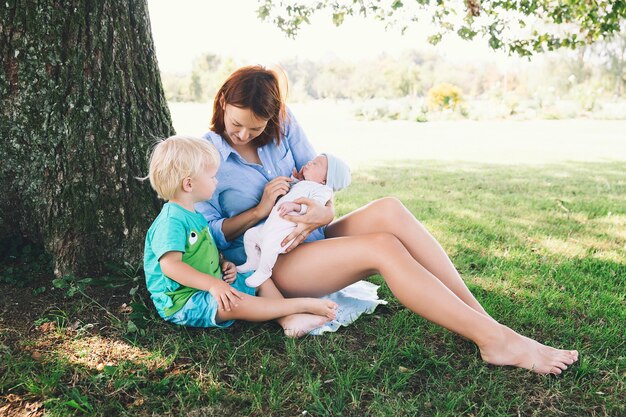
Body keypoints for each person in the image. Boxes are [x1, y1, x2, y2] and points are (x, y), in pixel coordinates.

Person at [196, 66, 579, 374]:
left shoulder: (284, 122)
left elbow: (322, 185)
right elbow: (210, 232)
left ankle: (489, 326)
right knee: (382, 247)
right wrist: (260, 211)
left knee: (390, 209)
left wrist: (321, 216)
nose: (245, 134)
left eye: (256, 128)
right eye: (237, 125)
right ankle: (494, 342)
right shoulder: (205, 154)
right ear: (223, 103)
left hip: (314, 236)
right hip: (274, 264)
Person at [143, 135, 337, 335]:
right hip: (183, 300)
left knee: (256, 277)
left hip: (209, 284)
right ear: (189, 185)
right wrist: (213, 285)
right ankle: (300, 306)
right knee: (233, 302)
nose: (216, 181)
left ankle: (290, 320)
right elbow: (171, 266)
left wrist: (222, 262)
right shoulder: (171, 221)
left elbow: (201, 250)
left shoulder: (193, 214)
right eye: (211, 177)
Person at [237, 153, 351, 288]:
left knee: (269, 248)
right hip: (270, 226)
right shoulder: (305, 184)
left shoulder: (322, 191)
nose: (309, 162)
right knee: (250, 235)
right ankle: (253, 260)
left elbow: (314, 208)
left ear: (325, 180)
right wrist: (295, 179)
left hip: (284, 233)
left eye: (315, 164)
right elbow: (293, 192)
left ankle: (264, 271)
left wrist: (296, 207)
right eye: (312, 160)